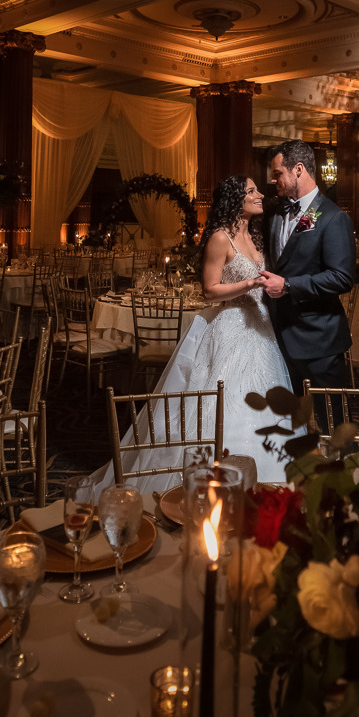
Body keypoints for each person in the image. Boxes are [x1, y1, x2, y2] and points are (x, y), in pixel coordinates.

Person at [94, 174, 293, 492]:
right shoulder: (219, 238)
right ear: (235, 200)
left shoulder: (256, 237)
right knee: (221, 402)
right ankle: (205, 488)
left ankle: (267, 489)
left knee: (269, 403)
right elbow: (210, 291)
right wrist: (250, 283)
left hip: (261, 327)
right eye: (252, 191)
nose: (259, 195)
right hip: (229, 327)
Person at [259, 140, 356, 432]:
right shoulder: (275, 213)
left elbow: (342, 277)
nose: (273, 180)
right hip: (279, 339)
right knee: (293, 427)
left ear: (298, 169)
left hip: (320, 342)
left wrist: (288, 285)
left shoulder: (333, 217)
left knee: (335, 427)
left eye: (278, 174)